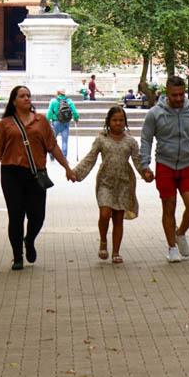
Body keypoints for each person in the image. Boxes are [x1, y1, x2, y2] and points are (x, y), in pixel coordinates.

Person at [0, 86, 77, 270]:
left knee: (37, 216)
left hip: (36, 174)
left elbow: (53, 146)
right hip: (12, 173)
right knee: (16, 215)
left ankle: (29, 239)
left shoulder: (41, 121)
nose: (27, 99)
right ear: (14, 101)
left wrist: (67, 168)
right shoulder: (5, 124)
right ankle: (17, 256)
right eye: (22, 96)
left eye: (28, 96)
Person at [138, 76, 189, 263]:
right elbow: (146, 139)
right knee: (168, 206)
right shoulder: (155, 114)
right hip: (165, 164)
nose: (178, 99)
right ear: (167, 93)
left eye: (181, 94)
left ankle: (181, 233)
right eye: (174, 95)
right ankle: (172, 247)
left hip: (187, 164)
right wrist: (144, 166)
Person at [72, 106, 142, 264]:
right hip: (105, 182)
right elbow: (90, 158)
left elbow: (138, 161)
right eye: (115, 120)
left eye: (121, 120)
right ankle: (103, 240)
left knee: (118, 218)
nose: (118, 123)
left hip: (124, 183)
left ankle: (116, 252)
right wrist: (76, 172)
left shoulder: (130, 141)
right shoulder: (101, 139)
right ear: (108, 122)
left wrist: (147, 173)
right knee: (105, 214)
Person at [46, 89, 79, 156]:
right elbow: (74, 112)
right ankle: (64, 156)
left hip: (56, 122)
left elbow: (49, 112)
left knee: (53, 139)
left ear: (58, 92)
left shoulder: (53, 101)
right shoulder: (69, 101)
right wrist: (76, 118)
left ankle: (51, 154)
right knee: (64, 141)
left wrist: (46, 121)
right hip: (66, 123)